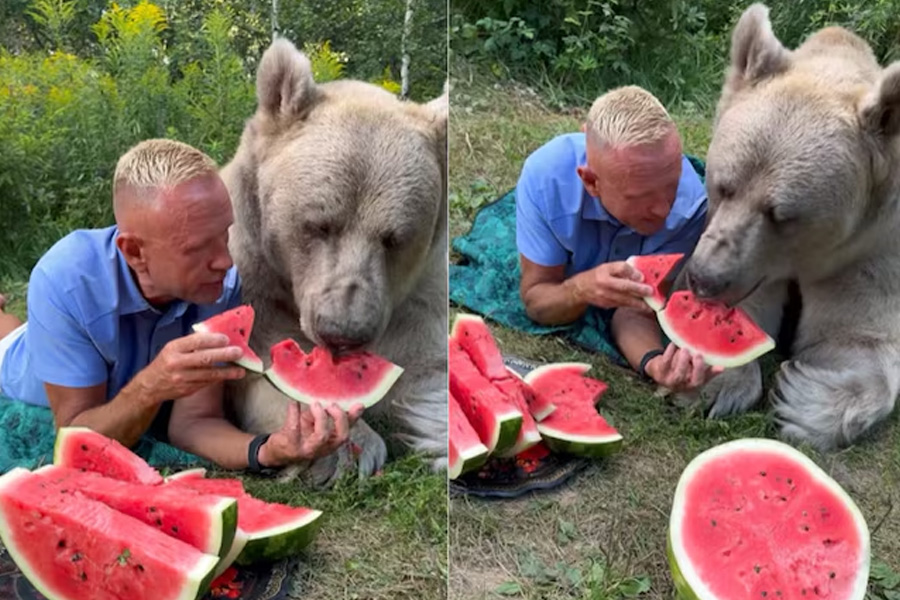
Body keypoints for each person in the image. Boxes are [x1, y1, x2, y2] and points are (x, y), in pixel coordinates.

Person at [0, 139, 363, 472]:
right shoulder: (65, 280)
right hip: (18, 371)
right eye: (197, 248)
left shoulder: (221, 286)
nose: (226, 261)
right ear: (135, 253)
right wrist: (151, 386)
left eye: (225, 234)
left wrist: (270, 449)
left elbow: (195, 423)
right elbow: (75, 438)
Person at [516, 85, 721, 392]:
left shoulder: (691, 208)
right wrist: (580, 289)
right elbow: (537, 300)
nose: (664, 208)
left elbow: (637, 307)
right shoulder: (545, 182)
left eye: (671, 185)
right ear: (591, 182)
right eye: (641, 196)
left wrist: (654, 363)